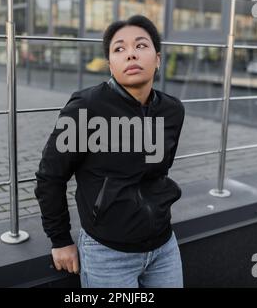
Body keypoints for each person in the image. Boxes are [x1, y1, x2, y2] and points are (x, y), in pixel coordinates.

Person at [34, 15, 185, 288]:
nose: (130, 54)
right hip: (108, 252)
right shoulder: (87, 107)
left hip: (164, 246)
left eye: (141, 46)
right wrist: (60, 240)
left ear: (158, 59)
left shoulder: (172, 110)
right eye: (119, 49)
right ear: (110, 65)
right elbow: (50, 176)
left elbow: (158, 173)